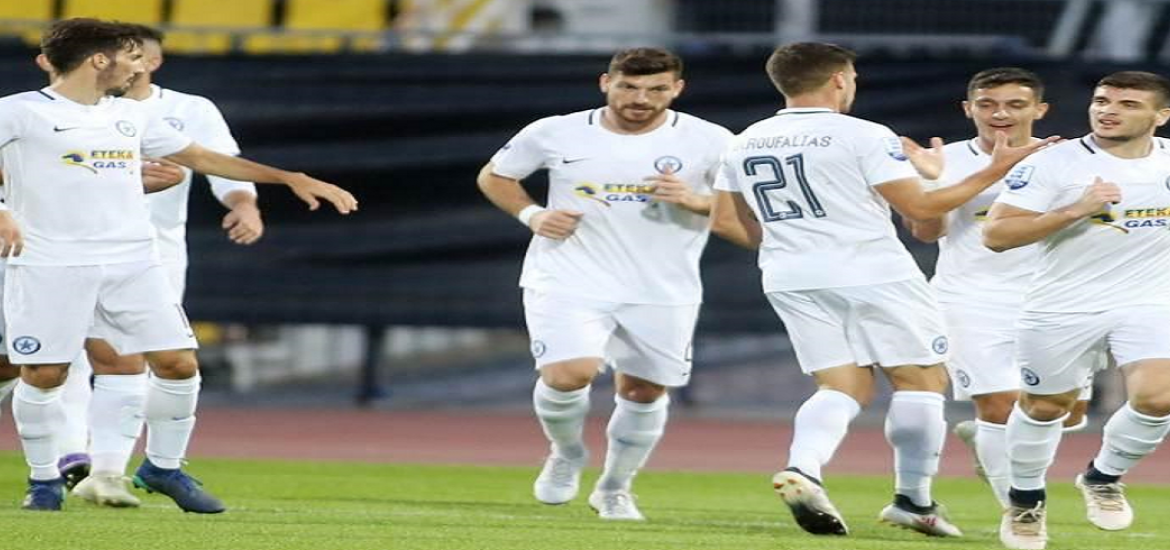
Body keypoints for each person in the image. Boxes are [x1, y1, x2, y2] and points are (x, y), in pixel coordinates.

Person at [0, 18, 356, 513]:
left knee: (179, 364)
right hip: (51, 262)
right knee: (44, 372)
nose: (136, 67)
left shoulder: (132, 115)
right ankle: (43, 482)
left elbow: (203, 158)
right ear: (99, 60)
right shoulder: (18, 112)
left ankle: (163, 467)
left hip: (133, 260)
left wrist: (289, 178)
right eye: (128, 57)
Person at [708, 42, 1056, 537]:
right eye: (851, 76)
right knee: (921, 381)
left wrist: (796, 245)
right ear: (838, 79)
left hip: (789, 275)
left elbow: (725, 221)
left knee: (842, 386)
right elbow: (920, 208)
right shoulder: (864, 134)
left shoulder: (745, 140)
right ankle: (913, 499)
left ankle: (804, 467)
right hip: (873, 271)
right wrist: (993, 171)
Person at [476, 47, 731, 521]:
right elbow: (495, 176)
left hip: (662, 287)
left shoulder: (711, 140)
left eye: (656, 89)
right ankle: (566, 452)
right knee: (567, 375)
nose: (641, 99)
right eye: (628, 86)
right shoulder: (555, 131)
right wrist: (532, 215)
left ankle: (615, 487)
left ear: (677, 89)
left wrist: (695, 201)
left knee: (643, 392)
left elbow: (744, 207)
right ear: (605, 83)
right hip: (568, 275)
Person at [68, 23, 266, 509]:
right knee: (53, 361)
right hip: (65, 249)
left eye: (133, 55)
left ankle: (111, 467)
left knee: (150, 361)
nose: (122, 63)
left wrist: (245, 203)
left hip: (154, 256)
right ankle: (69, 459)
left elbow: (219, 163)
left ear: (151, 62)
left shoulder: (187, 111)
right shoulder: (59, 111)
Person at [984, 71, 1170, 550]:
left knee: (1160, 397)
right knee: (1047, 407)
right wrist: (1076, 209)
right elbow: (997, 235)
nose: (1108, 110)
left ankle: (1102, 477)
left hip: (1149, 301)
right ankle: (1025, 500)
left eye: (1128, 104)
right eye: (1102, 100)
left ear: (1161, 116)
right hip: (1062, 305)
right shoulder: (1054, 163)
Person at [900, 68, 1091, 509]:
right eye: (987, 104)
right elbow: (926, 233)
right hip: (971, 297)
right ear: (969, 109)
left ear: (1040, 110)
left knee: (1065, 412)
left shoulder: (1068, 159)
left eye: (1015, 104)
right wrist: (931, 181)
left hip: (1054, 299)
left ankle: (989, 441)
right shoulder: (944, 160)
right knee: (1000, 407)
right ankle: (1020, 513)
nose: (1000, 114)